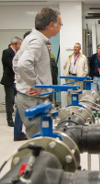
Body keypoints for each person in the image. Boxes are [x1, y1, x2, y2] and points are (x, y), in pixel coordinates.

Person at [13, 7, 62, 139]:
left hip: (31, 98)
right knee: (39, 142)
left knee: (40, 140)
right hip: (32, 99)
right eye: (60, 24)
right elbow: (23, 64)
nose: (60, 27)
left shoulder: (31, 38)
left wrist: (22, 80)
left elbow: (16, 61)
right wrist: (34, 84)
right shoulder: (37, 41)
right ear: (51, 25)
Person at [1, 36, 22, 127]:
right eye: (20, 44)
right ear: (15, 44)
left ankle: (19, 118)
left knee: (19, 99)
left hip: (17, 81)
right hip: (9, 80)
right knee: (10, 100)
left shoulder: (18, 53)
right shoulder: (6, 52)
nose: (21, 46)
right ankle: (9, 119)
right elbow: (11, 65)